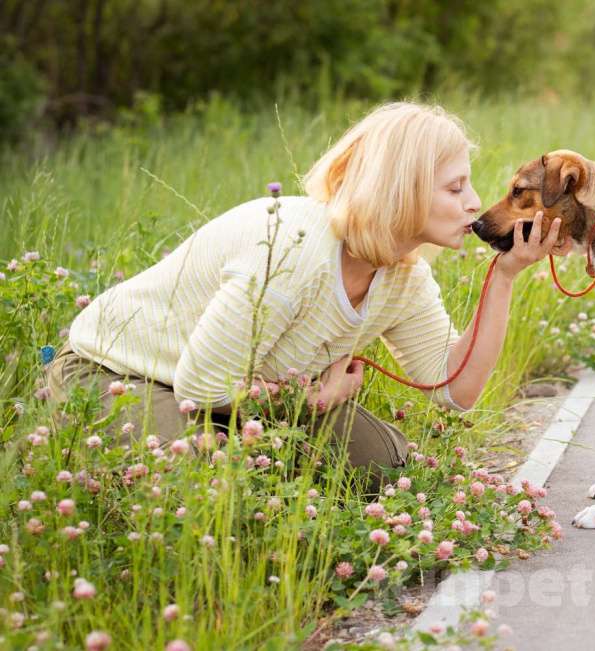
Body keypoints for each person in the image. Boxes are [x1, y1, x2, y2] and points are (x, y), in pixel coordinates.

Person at [44, 101, 567, 484]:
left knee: (383, 468)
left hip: (244, 393)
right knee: (211, 480)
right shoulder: (291, 249)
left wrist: (505, 275)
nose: (475, 202)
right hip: (123, 373)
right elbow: (201, 389)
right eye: (455, 188)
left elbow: (453, 388)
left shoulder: (404, 273)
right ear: (399, 189)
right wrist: (311, 400)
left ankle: (263, 449)